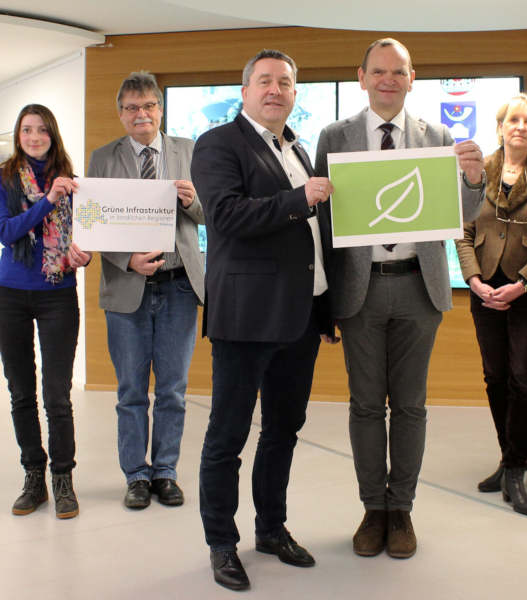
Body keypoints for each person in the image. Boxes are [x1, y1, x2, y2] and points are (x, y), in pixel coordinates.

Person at [315, 38, 486, 558]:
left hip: (419, 285)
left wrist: (475, 180)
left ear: (413, 79)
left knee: (410, 406)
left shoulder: (437, 135)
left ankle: (403, 509)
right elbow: (323, 220)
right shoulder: (334, 136)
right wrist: (322, 300)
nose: (389, 79)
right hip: (359, 289)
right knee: (366, 406)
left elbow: (463, 212)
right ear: (362, 76)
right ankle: (373, 509)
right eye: (379, 70)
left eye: (399, 71)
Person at [191, 49, 337, 592]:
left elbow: (315, 240)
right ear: (245, 90)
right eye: (265, 81)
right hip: (247, 317)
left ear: (295, 93)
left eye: (286, 83)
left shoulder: (297, 146)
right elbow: (225, 216)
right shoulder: (218, 144)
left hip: (300, 317)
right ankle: (221, 544)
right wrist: (299, 198)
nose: (276, 90)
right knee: (227, 436)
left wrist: (326, 305)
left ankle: (270, 528)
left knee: (283, 431)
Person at [87, 71, 204, 510]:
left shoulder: (189, 151)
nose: (142, 114)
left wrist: (193, 201)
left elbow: (212, 213)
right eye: (132, 107)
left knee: (173, 388)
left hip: (177, 286)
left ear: (160, 109)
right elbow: (93, 223)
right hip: (127, 286)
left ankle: (166, 472)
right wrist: (127, 260)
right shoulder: (103, 158)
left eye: (149, 105)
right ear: (121, 115)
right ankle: (136, 475)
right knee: (131, 390)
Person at [455, 93, 527, 515]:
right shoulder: (478, 170)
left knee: (523, 380)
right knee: (494, 377)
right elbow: (462, 232)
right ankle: (508, 459)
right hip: (484, 288)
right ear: (500, 127)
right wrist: (474, 280)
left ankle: (516, 470)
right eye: (513, 120)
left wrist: (521, 284)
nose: (520, 127)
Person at [0, 104, 92, 519]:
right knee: (21, 392)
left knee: (57, 395)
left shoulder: (74, 183)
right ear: (18, 135)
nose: (34, 137)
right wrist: (49, 200)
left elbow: (87, 234)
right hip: (9, 294)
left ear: (53, 135)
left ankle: (63, 479)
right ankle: (34, 475)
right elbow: (6, 231)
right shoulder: (1, 179)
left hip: (57, 294)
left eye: (42, 130)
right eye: (27, 130)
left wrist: (85, 256)